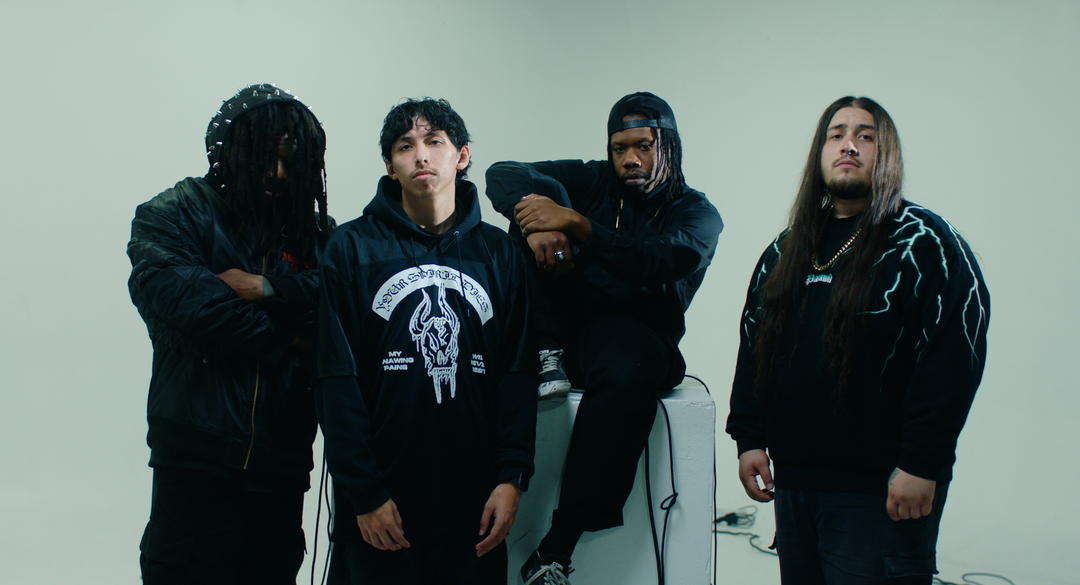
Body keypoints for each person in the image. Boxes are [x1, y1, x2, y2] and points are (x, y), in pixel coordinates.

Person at [726, 96, 990, 584]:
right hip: (796, 488)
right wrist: (749, 436)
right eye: (836, 134)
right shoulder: (787, 249)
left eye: (865, 136)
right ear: (819, 153)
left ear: (885, 153)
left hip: (884, 491)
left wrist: (921, 463)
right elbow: (756, 344)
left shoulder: (925, 243)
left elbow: (954, 359)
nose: (849, 145)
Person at [486, 91, 723, 584]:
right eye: (620, 148)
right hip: (562, 326)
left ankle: (555, 549)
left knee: (626, 371)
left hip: (632, 335)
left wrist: (577, 226)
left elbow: (660, 261)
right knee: (528, 219)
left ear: (669, 147)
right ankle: (543, 352)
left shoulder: (696, 212)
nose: (630, 159)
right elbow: (504, 172)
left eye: (643, 146)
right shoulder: (594, 178)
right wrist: (538, 221)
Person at [317, 98, 536, 585]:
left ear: (461, 156)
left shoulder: (500, 254)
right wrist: (365, 493)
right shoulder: (351, 250)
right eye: (405, 146)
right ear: (390, 165)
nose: (421, 155)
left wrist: (510, 477)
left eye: (434, 141)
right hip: (381, 511)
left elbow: (518, 373)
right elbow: (336, 380)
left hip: (474, 509)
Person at [127, 83, 331, 584]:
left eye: (290, 161)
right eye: (265, 156)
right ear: (230, 148)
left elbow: (343, 307)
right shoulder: (174, 213)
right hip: (196, 459)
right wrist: (292, 339)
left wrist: (266, 288)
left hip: (280, 467)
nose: (277, 173)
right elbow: (193, 309)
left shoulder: (320, 236)